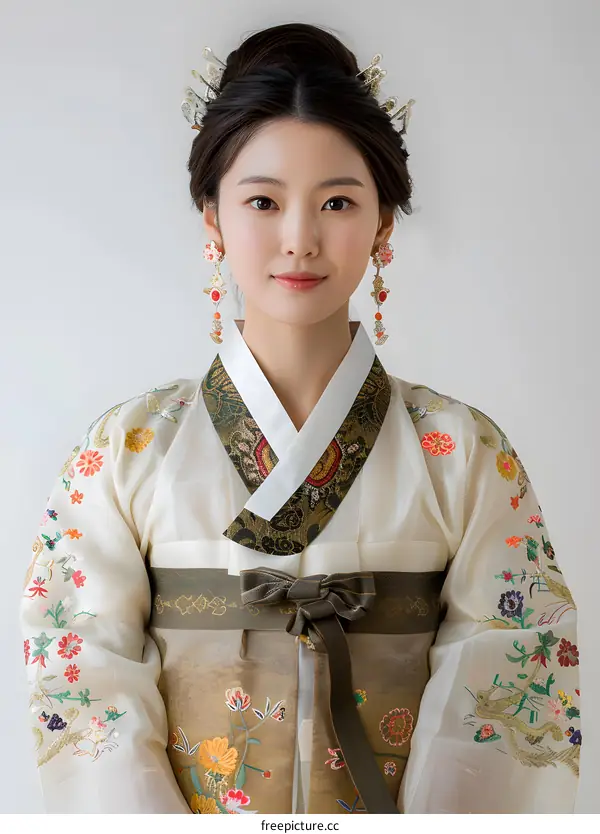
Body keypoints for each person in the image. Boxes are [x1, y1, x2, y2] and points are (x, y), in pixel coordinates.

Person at [20, 22, 580, 814]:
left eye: (338, 202)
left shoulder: (463, 454)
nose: (299, 239)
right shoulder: (126, 451)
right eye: (262, 200)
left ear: (384, 222)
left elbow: (514, 666)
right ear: (211, 217)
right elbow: (81, 675)